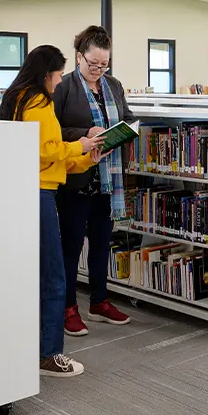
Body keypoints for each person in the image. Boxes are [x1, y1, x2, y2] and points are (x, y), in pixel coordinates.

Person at [0, 45, 103, 377]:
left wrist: (85, 158)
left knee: (37, 273)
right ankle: (49, 354)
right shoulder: (38, 103)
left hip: (25, 190)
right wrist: (80, 146)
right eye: (58, 75)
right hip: (40, 194)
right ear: (47, 74)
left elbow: (51, 155)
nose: (59, 83)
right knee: (55, 275)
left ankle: (33, 345)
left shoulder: (17, 99)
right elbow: (46, 152)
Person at [54, 26, 135, 336]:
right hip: (77, 180)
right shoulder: (63, 87)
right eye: (94, 64)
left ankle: (99, 302)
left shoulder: (113, 85)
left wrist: (126, 129)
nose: (99, 70)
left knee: (103, 244)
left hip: (107, 180)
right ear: (79, 56)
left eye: (105, 64)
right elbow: (54, 131)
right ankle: (68, 308)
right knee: (71, 247)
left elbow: (126, 116)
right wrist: (84, 135)